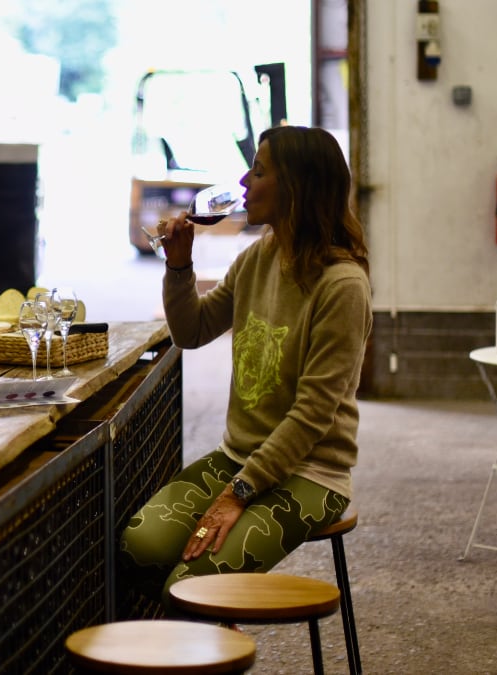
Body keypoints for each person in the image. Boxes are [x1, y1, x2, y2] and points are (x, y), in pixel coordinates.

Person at [118, 125, 372, 609]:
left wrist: (238, 494)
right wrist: (178, 267)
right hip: (239, 458)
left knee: (189, 582)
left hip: (310, 472)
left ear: (297, 187)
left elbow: (313, 415)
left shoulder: (341, 285)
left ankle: (204, 638)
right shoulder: (258, 257)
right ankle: (205, 629)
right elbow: (191, 332)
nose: (243, 181)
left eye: (258, 171)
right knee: (139, 547)